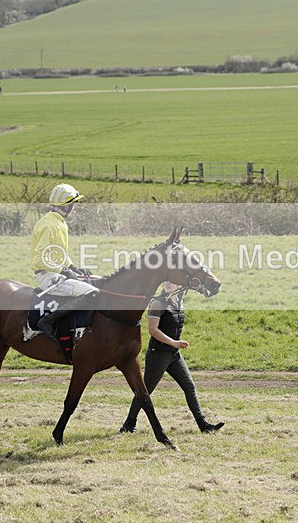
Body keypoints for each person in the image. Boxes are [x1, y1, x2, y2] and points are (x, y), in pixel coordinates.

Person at [120, 281, 224, 434]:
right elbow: (153, 330)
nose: (169, 283)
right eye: (167, 280)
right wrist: (174, 342)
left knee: (189, 386)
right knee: (145, 391)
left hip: (174, 355)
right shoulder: (157, 303)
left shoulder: (179, 300)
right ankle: (129, 424)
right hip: (158, 355)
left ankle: (203, 425)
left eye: (173, 281)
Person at [30, 183, 98, 363]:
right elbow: (40, 258)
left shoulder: (59, 223)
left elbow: (59, 253)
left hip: (57, 273)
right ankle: (47, 322)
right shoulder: (49, 225)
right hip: (48, 276)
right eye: (73, 204)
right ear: (66, 205)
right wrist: (63, 270)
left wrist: (73, 267)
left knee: (94, 283)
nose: (74, 207)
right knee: (91, 292)